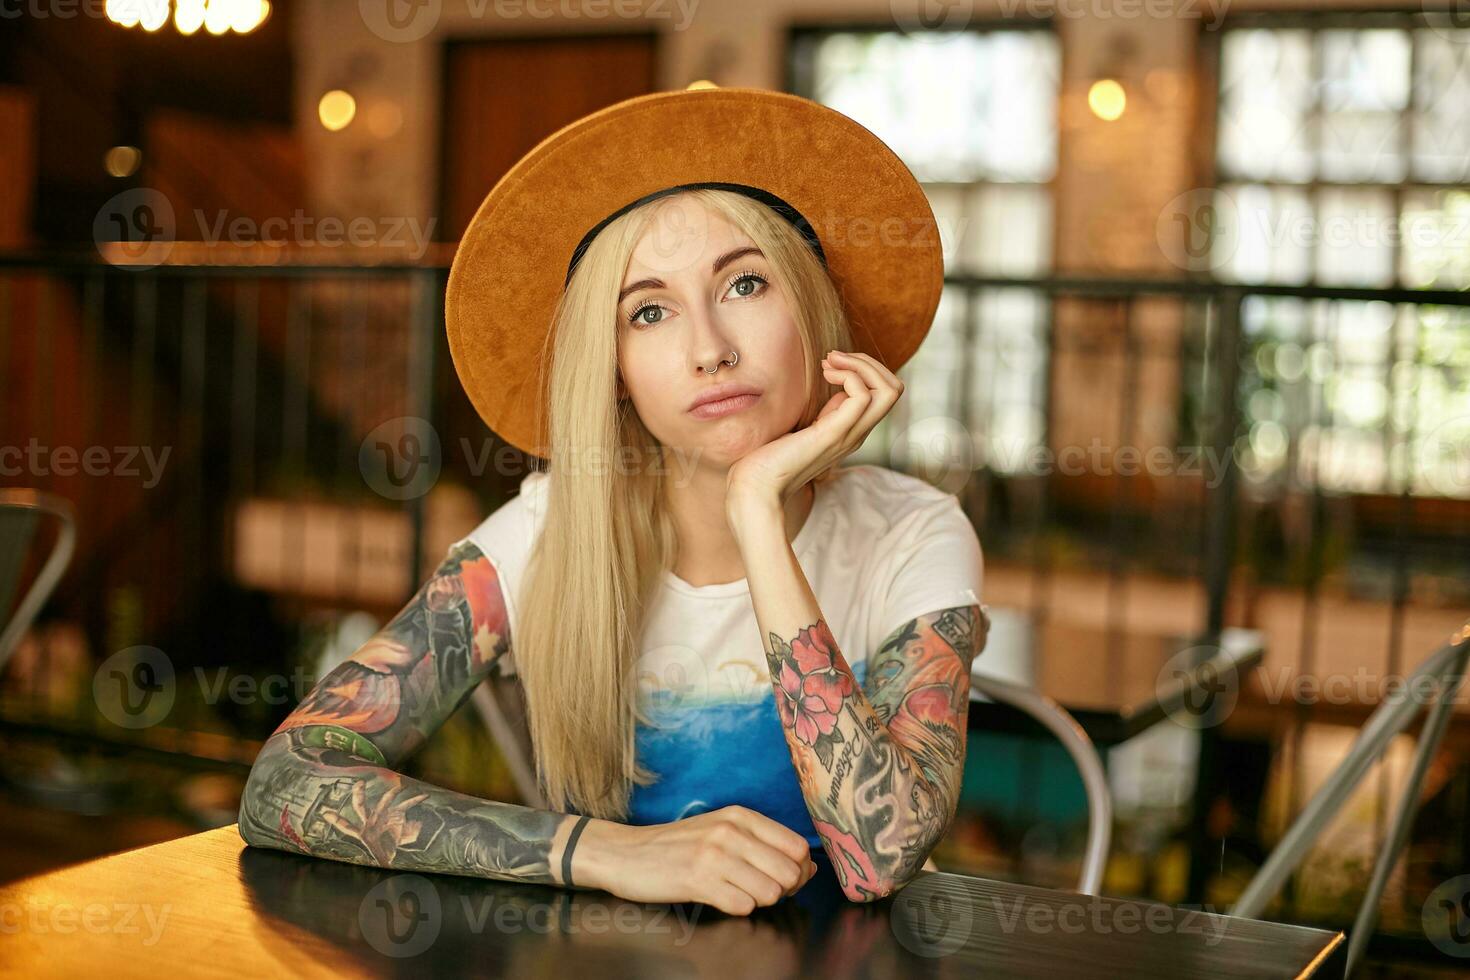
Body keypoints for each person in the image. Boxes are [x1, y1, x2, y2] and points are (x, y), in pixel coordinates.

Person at [238, 85, 990, 916]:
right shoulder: (550, 528)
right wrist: (599, 851)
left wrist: (756, 513)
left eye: (744, 286)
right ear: (619, 375)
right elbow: (286, 780)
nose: (710, 348)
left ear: (812, 311)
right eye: (651, 311)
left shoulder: (913, 533)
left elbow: (880, 859)